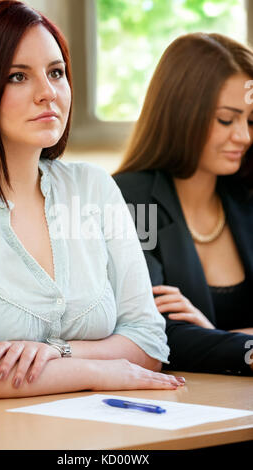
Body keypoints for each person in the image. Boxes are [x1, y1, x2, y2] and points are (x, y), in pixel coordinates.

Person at [0, 0, 186, 402]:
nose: (48, 93)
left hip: (109, 434)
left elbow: (149, 342)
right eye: (17, 76)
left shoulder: (94, 187)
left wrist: (57, 352)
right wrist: (95, 370)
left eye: (56, 72)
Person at [114, 32, 253, 376]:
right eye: (226, 119)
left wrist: (212, 336)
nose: (244, 136)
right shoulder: (131, 199)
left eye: (250, 121)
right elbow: (153, 334)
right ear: (182, 112)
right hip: (187, 407)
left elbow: (195, 340)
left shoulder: (246, 195)